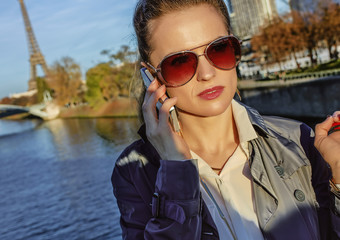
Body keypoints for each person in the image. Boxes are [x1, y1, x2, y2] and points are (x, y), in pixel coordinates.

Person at [111, 0, 340, 239]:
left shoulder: (298, 140)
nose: (207, 73)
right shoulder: (134, 169)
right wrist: (176, 172)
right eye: (179, 62)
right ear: (151, 76)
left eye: (219, 48)